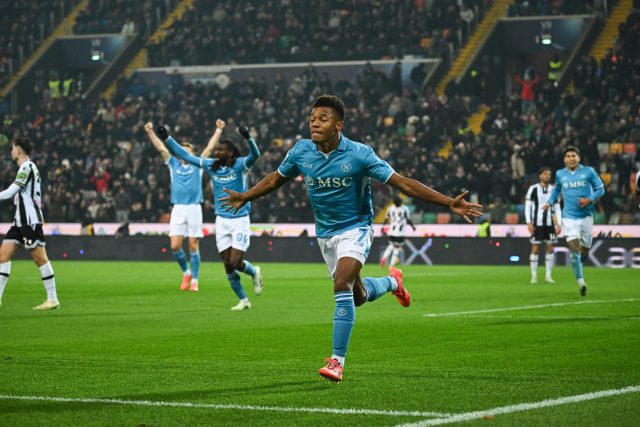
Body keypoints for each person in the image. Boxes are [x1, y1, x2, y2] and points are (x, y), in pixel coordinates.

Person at [220, 95, 482, 382]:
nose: (314, 123)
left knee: (341, 283)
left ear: (339, 125)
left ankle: (337, 361)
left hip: (356, 228)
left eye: (323, 118)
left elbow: (403, 184)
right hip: (325, 234)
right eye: (312, 118)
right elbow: (275, 178)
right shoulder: (301, 151)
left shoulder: (360, 154)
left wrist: (448, 202)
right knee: (357, 296)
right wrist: (245, 196)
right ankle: (393, 282)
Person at [155, 124, 264, 311]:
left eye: (221, 150)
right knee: (227, 265)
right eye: (217, 149)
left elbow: (256, 155)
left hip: (239, 219)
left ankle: (254, 272)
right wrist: (167, 138)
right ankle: (244, 300)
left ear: (231, 153)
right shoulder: (211, 166)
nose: (217, 152)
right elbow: (186, 156)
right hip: (221, 221)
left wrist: (248, 138)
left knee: (235, 262)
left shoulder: (241, 165)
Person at [145, 120, 225, 292]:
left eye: (188, 150)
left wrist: (218, 130)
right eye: (182, 150)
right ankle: (186, 273)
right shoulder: (173, 164)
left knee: (193, 245)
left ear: (192, 153)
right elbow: (162, 149)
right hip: (178, 208)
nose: (184, 152)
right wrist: (151, 132)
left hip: (194, 208)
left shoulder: (198, 164)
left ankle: (195, 280)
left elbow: (209, 149)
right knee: (175, 246)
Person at [0, 137, 60, 309]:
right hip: (19, 222)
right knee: (3, 256)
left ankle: (52, 299)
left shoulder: (27, 167)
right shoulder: (25, 168)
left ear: (19, 150)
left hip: (30, 221)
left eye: (13, 148)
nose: (11, 151)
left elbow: (10, 192)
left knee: (39, 258)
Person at [544, 146, 605, 296]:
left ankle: (579, 263)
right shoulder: (560, 174)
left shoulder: (589, 171)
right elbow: (557, 190)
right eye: (568, 156)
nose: (571, 158)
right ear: (564, 160)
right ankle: (581, 283)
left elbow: (600, 189)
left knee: (585, 249)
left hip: (586, 216)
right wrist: (549, 202)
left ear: (578, 158)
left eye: (573, 156)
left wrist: (589, 199)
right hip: (569, 217)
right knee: (574, 250)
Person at [525, 167, 562, 284]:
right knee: (535, 248)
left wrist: (559, 224)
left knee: (550, 248)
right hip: (537, 223)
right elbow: (528, 206)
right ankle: (534, 276)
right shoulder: (533, 189)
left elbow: (557, 207)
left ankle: (548, 276)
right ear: (540, 176)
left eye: (549, 174)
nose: (547, 176)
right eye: (545, 174)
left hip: (551, 224)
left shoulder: (554, 190)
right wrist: (528, 222)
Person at [379, 196, 416, 267]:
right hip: (400, 233)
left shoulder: (390, 208)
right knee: (397, 248)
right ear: (401, 201)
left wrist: (382, 227)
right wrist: (413, 226)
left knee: (391, 245)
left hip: (391, 232)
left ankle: (384, 257)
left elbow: (386, 219)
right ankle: (391, 265)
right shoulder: (404, 209)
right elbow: (408, 219)